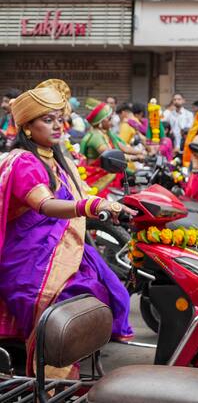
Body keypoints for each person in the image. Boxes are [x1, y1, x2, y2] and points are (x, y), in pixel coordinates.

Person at [0, 82, 133, 374]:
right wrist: (92, 207)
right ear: (26, 128)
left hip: (59, 249)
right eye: (48, 120)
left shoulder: (57, 159)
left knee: (107, 289)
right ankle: (50, 377)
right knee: (71, 298)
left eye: (60, 119)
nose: (58, 126)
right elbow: (46, 205)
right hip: (30, 260)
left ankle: (73, 367)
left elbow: (83, 192)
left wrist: (120, 206)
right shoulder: (23, 161)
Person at [80, 101, 143, 194]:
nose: (111, 121)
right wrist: (136, 158)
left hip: (109, 172)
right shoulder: (96, 136)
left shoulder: (107, 134)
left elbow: (124, 148)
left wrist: (141, 153)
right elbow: (112, 158)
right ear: (101, 121)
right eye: (109, 119)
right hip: (98, 176)